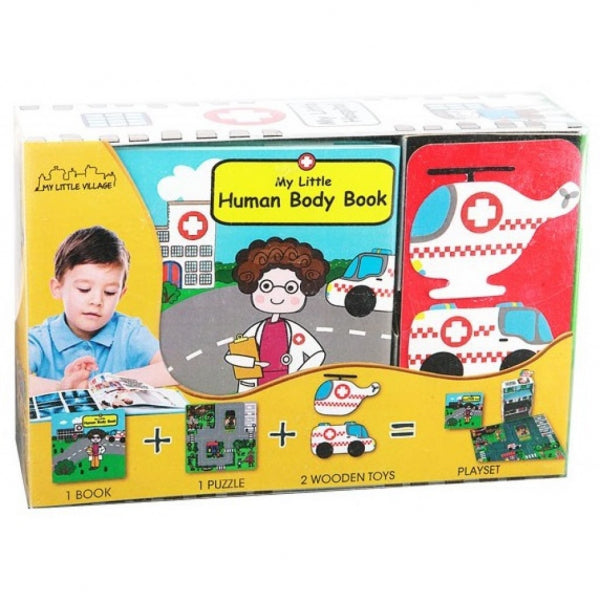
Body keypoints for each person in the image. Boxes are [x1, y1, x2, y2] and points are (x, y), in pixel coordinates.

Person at [28, 226, 176, 396]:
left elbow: (174, 369)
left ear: (121, 294)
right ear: (57, 288)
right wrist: (61, 388)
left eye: (109, 292)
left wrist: (114, 382)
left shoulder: (128, 332)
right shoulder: (41, 339)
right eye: (84, 289)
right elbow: (10, 376)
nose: (97, 301)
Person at [226, 237, 329, 392]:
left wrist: (299, 375)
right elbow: (230, 356)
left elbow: (318, 354)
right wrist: (250, 363)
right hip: (256, 388)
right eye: (266, 286)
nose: (277, 296)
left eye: (290, 288)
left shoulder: (295, 332)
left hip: (287, 388)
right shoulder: (256, 331)